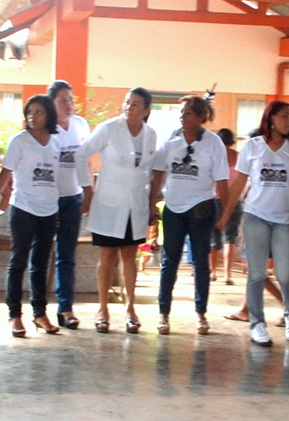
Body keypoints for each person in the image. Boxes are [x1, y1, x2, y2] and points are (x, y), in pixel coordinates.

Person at [220, 99, 289, 346]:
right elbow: (239, 182)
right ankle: (257, 324)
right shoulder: (253, 146)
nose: (288, 121)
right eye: (284, 116)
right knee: (257, 274)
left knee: (286, 274)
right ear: (271, 118)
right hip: (256, 216)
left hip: (284, 219)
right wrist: (226, 214)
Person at [80, 88, 159, 334]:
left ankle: (130, 309)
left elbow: (149, 170)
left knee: (129, 256)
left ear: (146, 110)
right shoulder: (108, 128)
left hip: (136, 204)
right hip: (109, 203)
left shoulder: (151, 134)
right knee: (107, 256)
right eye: (127, 102)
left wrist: (151, 204)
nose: (129, 108)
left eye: (135, 104)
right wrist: (88, 190)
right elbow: (81, 155)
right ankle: (102, 309)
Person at [150, 94, 229, 335]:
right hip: (174, 208)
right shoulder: (171, 139)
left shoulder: (214, 143)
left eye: (188, 113)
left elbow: (222, 180)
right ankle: (164, 313)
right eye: (181, 112)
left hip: (201, 208)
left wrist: (225, 213)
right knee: (169, 261)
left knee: (200, 262)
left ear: (201, 117)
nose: (182, 117)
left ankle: (201, 313)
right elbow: (158, 172)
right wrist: (152, 203)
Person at [0, 93, 63, 337]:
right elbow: (5, 174)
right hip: (23, 208)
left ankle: (39, 313)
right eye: (29, 112)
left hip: (49, 210)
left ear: (49, 115)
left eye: (38, 112)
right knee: (18, 261)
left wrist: (58, 208)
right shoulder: (19, 141)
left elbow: (56, 178)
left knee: (41, 263)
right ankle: (14, 315)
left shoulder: (56, 142)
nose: (33, 117)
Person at [48, 80, 88, 330]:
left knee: (66, 256)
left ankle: (66, 308)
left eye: (71, 99)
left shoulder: (81, 125)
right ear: (51, 102)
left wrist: (88, 192)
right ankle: (38, 309)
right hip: (46, 200)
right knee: (41, 254)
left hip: (72, 198)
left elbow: (87, 161)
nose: (68, 104)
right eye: (62, 100)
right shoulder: (44, 127)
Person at [215, 127, 241, 284]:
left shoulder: (214, 156)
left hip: (214, 199)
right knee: (230, 239)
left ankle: (212, 271)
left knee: (213, 238)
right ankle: (227, 274)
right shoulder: (238, 157)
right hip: (234, 201)